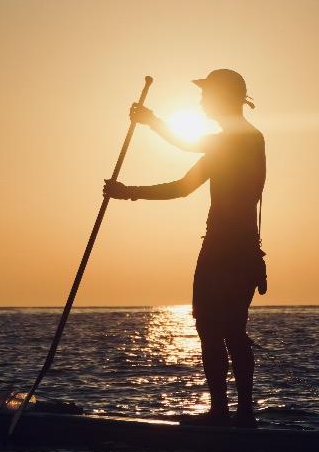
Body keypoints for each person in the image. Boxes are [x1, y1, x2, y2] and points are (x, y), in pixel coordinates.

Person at [104, 69, 267, 428]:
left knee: (224, 329)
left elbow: (187, 147)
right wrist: (128, 192)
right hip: (231, 250)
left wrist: (151, 122)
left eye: (207, 95)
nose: (202, 102)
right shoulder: (231, 143)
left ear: (224, 98)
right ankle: (230, 413)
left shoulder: (242, 139)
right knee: (218, 329)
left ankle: (235, 415)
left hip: (230, 251)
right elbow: (183, 187)